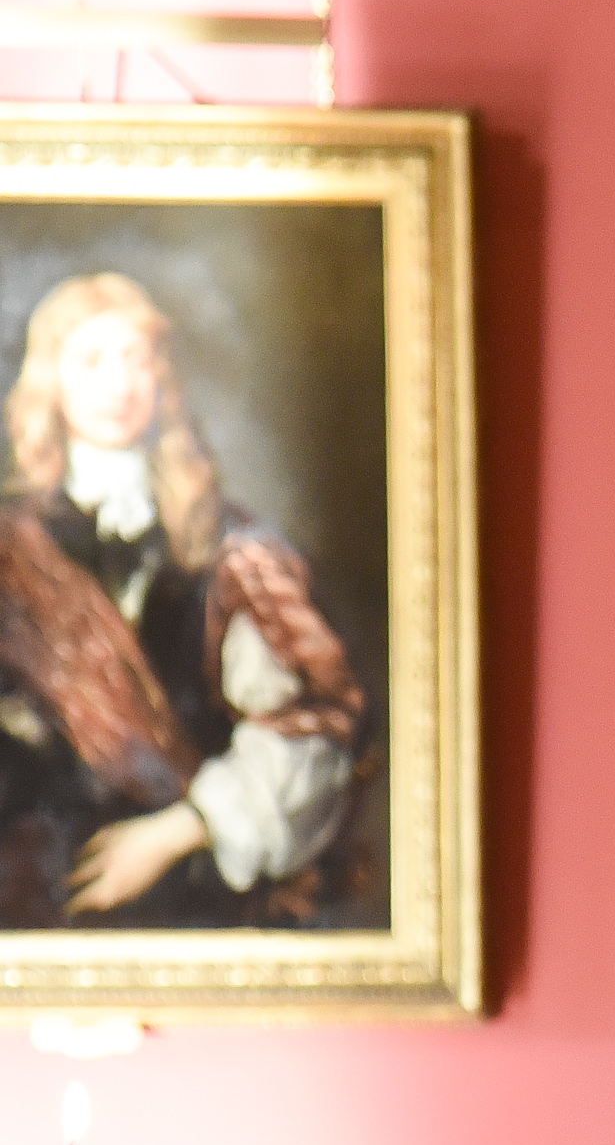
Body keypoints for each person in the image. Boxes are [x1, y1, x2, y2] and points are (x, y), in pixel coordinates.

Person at [0, 269, 363, 926]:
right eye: (92, 361)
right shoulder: (9, 550)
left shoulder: (231, 548)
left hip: (195, 896)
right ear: (51, 381)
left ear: (162, 379)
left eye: (137, 360)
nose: (118, 385)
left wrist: (178, 831)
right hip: (32, 894)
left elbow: (312, 719)